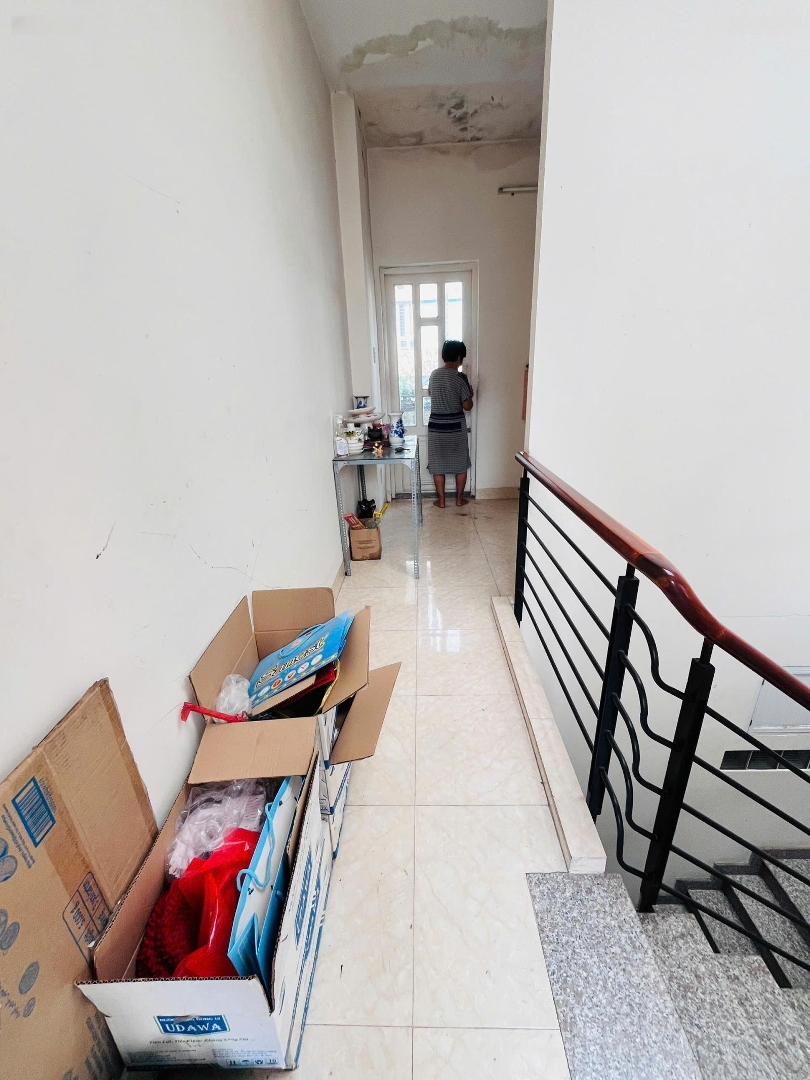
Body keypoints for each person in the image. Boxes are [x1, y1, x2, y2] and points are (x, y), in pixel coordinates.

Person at [427, 340, 474, 508]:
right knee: (460, 464)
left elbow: (432, 394)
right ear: (459, 357)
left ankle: (441, 501)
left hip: (436, 427)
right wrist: (470, 394)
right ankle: (459, 500)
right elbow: (467, 406)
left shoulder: (433, 375)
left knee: (437, 464)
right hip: (455, 426)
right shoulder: (460, 377)